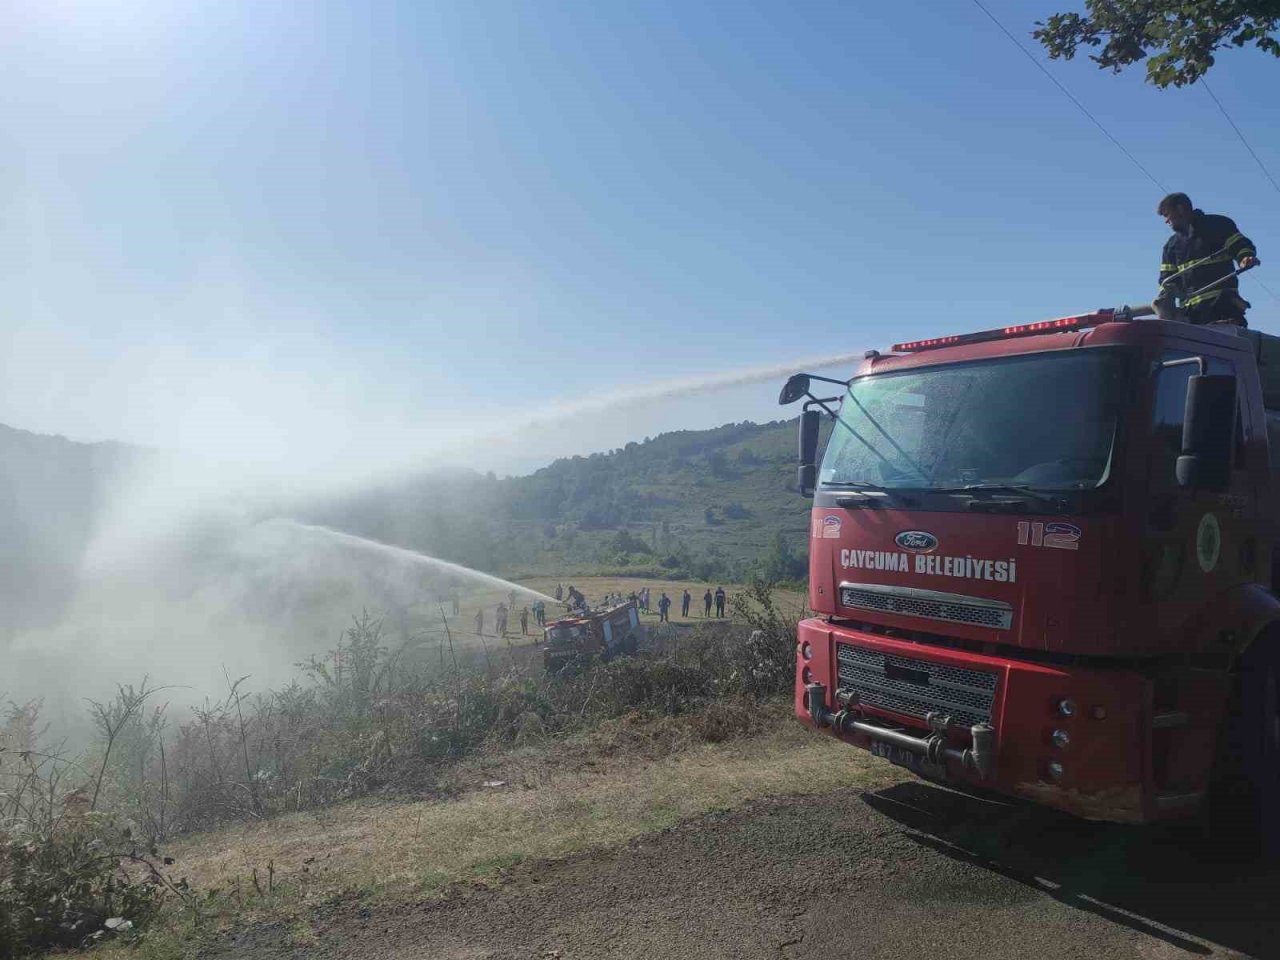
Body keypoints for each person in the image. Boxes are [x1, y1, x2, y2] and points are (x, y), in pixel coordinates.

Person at [1156, 193, 1259, 327]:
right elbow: (1167, 280)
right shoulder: (1171, 246)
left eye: (1167, 215)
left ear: (1180, 209)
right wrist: (1165, 299)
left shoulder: (1218, 225)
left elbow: (1240, 245)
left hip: (1224, 309)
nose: (1166, 221)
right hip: (1192, 316)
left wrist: (1245, 258)